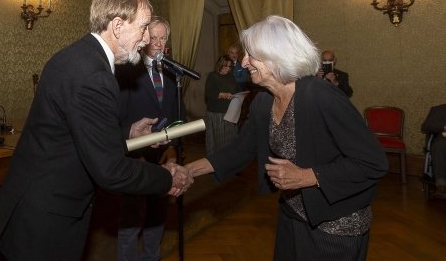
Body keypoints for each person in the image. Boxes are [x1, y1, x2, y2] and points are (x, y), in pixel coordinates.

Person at [0, 0, 193, 261]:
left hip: (39, 205)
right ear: (118, 26)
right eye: (143, 27)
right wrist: (166, 177)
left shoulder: (81, 57)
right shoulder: (92, 74)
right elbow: (111, 171)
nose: (146, 39)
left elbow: (78, 133)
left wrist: (128, 131)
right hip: (44, 220)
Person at [186, 15, 388, 261]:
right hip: (293, 212)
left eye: (251, 55)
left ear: (275, 56)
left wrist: (306, 176)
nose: (244, 61)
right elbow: (238, 151)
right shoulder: (263, 102)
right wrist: (187, 171)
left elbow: (373, 162)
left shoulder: (321, 95)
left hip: (336, 224)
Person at [115, 16, 185, 261]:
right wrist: (135, 143)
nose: (157, 43)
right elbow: (118, 119)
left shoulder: (172, 71)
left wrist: (174, 148)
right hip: (136, 158)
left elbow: (179, 115)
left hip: (164, 158)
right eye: (152, 37)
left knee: (157, 218)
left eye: (162, 38)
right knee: (130, 222)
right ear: (144, 40)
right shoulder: (127, 72)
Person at [204, 55, 239, 155]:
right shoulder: (213, 76)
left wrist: (238, 96)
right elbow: (209, 93)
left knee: (230, 140)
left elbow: (236, 90)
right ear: (220, 65)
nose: (228, 69)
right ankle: (216, 163)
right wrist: (222, 95)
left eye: (230, 66)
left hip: (230, 112)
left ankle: (228, 161)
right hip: (217, 114)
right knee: (217, 141)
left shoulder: (231, 77)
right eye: (226, 66)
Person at [421, 103, 446, 199]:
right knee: (439, 146)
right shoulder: (438, 109)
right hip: (443, 140)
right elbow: (425, 126)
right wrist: (444, 126)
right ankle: (441, 186)